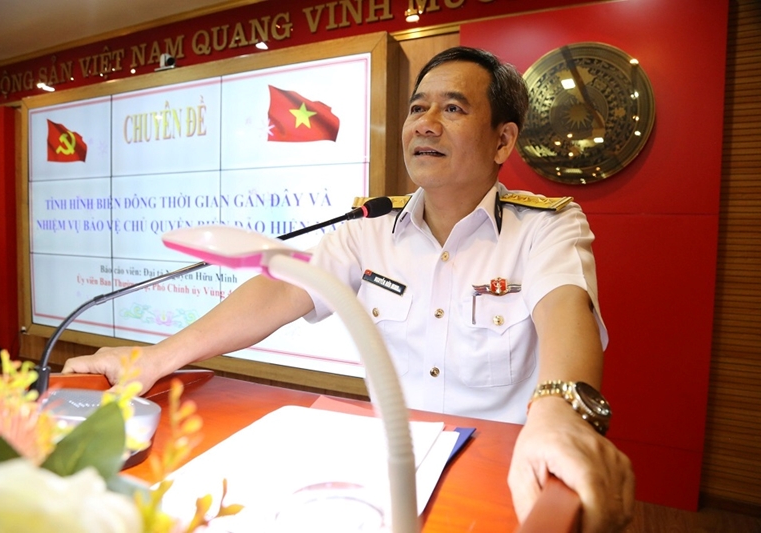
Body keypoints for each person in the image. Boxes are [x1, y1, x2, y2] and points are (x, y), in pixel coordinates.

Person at [64, 46, 634, 531]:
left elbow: (565, 310)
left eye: (453, 108)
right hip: (392, 468)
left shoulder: (547, 225)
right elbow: (280, 290)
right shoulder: (368, 227)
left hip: (502, 471)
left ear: (503, 141)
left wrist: (559, 411)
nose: (425, 123)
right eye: (418, 107)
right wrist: (155, 358)